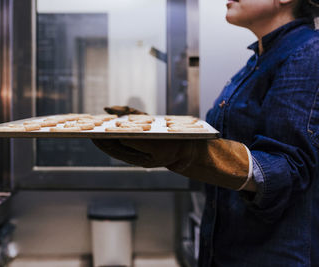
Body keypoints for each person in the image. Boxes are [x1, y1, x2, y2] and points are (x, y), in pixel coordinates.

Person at [93, 0, 319, 266]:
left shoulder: (308, 54)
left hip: (271, 254)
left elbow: (287, 170)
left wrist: (185, 152)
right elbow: (229, 140)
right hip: (225, 247)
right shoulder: (259, 59)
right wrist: (161, 131)